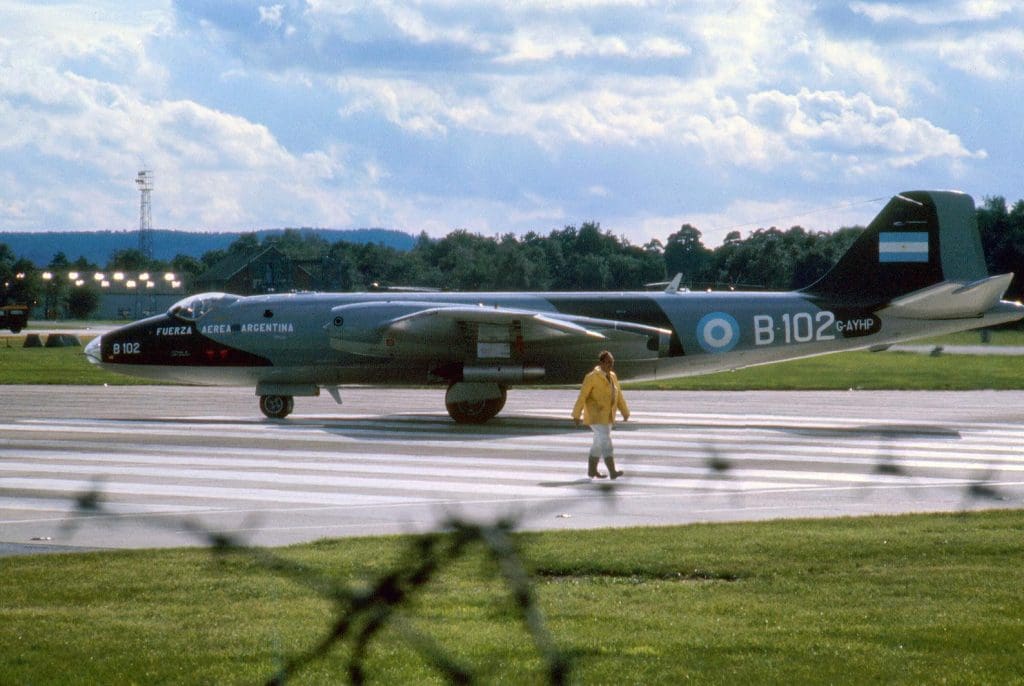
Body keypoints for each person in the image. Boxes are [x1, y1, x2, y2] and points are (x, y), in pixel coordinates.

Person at [572, 350, 630, 479]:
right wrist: (576, 414)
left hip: (607, 416)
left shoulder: (613, 376)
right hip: (595, 416)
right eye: (608, 362)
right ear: (601, 363)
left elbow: (618, 396)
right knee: (606, 441)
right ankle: (612, 471)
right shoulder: (591, 377)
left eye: (612, 362)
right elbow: (582, 396)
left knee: (598, 443)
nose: (611, 364)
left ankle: (592, 471)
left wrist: (625, 412)